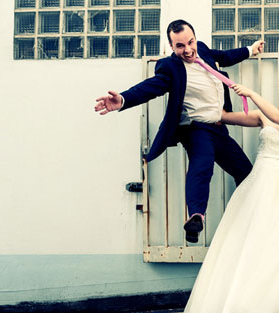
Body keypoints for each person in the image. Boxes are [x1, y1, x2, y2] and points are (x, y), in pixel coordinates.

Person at [94, 20, 264, 243]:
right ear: (171, 47)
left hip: (219, 128)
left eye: (190, 42)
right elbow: (150, 87)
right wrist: (123, 99)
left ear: (195, 38)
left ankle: (256, 218)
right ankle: (196, 216)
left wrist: (251, 50)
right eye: (180, 46)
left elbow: (223, 56)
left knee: (245, 171)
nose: (188, 50)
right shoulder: (170, 67)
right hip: (196, 128)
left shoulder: (201, 49)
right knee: (202, 165)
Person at [183, 76, 279, 313]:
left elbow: (277, 116)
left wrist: (253, 94)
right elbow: (222, 116)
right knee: (247, 240)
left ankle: (267, 306)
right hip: (259, 185)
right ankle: (231, 305)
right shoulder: (263, 116)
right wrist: (205, 92)